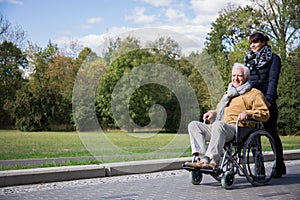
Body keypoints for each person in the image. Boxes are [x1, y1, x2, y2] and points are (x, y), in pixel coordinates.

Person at [185, 63, 270, 169]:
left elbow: (265, 114)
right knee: (193, 125)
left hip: (238, 129)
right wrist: (213, 113)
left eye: (239, 76)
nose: (236, 78)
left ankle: (213, 161)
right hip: (221, 127)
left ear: (247, 78)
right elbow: (220, 109)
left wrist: (248, 113)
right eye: (234, 76)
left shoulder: (254, 94)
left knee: (218, 125)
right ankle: (202, 159)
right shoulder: (229, 93)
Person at [244, 32, 286, 178]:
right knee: (253, 134)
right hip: (252, 101)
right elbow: (246, 82)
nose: (252, 46)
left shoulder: (274, 58)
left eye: (255, 42)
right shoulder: (249, 59)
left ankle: (279, 164)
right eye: (251, 43)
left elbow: (273, 80)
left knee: (271, 132)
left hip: (267, 100)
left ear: (263, 42)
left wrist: (268, 99)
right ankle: (259, 169)